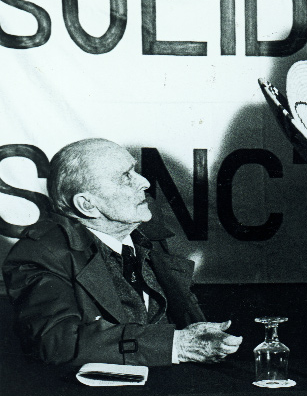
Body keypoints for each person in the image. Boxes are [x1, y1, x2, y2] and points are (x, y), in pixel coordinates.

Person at [2, 138, 242, 366]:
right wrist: (176, 345)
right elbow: (57, 343)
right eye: (126, 177)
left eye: (134, 170)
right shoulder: (40, 254)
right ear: (87, 205)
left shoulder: (144, 227)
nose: (145, 182)